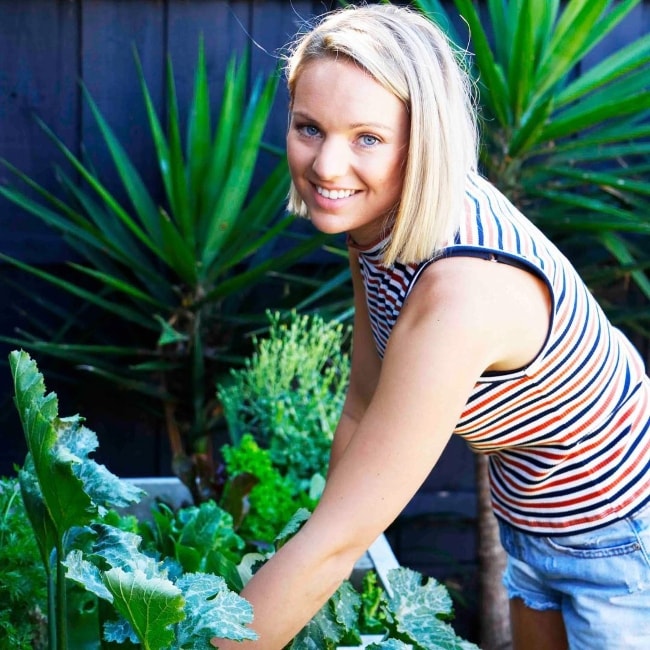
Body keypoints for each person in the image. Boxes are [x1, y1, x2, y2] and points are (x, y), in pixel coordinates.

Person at [212, 4, 650, 649]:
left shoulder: (461, 291)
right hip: (535, 518)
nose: (328, 166)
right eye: (309, 127)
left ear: (425, 138)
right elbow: (362, 405)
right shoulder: (380, 224)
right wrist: (314, 548)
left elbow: (343, 540)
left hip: (624, 541)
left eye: (367, 137)